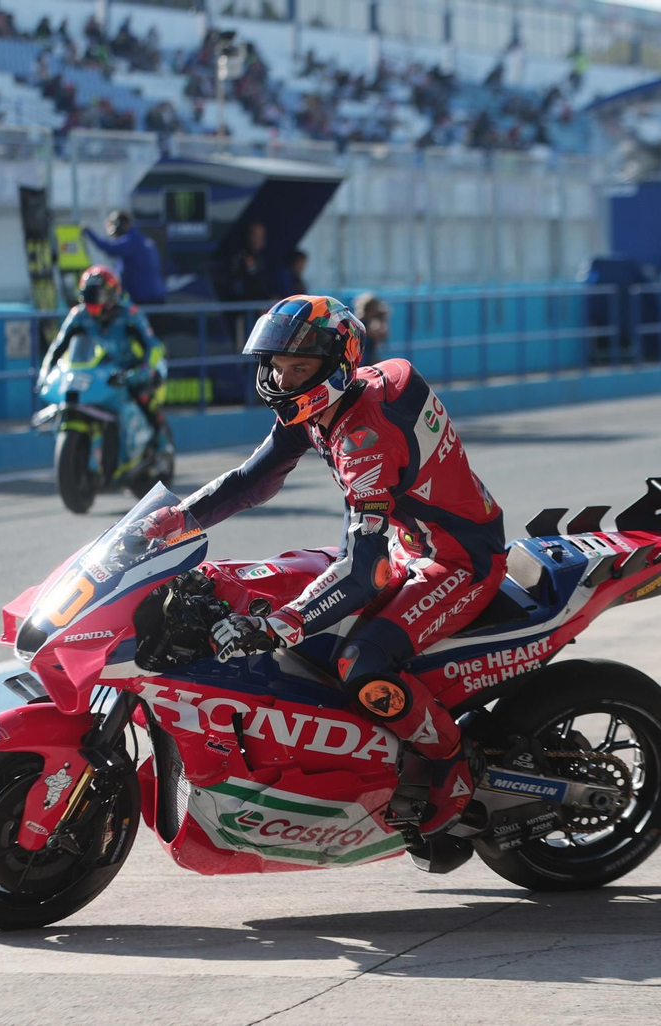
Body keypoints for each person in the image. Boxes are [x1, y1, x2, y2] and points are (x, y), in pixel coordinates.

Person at [145, 295, 506, 839]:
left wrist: (277, 626)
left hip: (455, 559)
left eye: (300, 368)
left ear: (337, 364)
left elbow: (364, 572)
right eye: (278, 367)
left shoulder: (366, 439)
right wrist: (180, 518)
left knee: (359, 662)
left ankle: (451, 762)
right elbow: (254, 479)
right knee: (263, 582)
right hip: (410, 541)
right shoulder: (319, 403)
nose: (285, 380)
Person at [40, 266, 167, 445]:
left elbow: (154, 347)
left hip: (138, 367)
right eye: (88, 295)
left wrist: (141, 373)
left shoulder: (130, 314)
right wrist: (45, 374)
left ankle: (162, 443)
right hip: (110, 368)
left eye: (97, 296)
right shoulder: (79, 315)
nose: (92, 303)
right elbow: (58, 346)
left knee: (144, 397)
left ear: (110, 295)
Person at [80, 210, 166, 306]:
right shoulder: (141, 239)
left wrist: (88, 231)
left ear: (125, 224)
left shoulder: (132, 241)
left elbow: (109, 248)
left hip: (144, 298)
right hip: (155, 295)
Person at [224, 221, 274, 304]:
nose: (259, 240)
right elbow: (241, 287)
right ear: (248, 236)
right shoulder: (239, 258)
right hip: (243, 307)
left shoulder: (261, 258)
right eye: (255, 236)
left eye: (261, 236)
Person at [353, 291, 391, 364]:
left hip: (367, 359)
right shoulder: (362, 323)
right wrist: (381, 318)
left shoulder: (366, 322)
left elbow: (383, 336)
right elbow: (378, 334)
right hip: (361, 361)